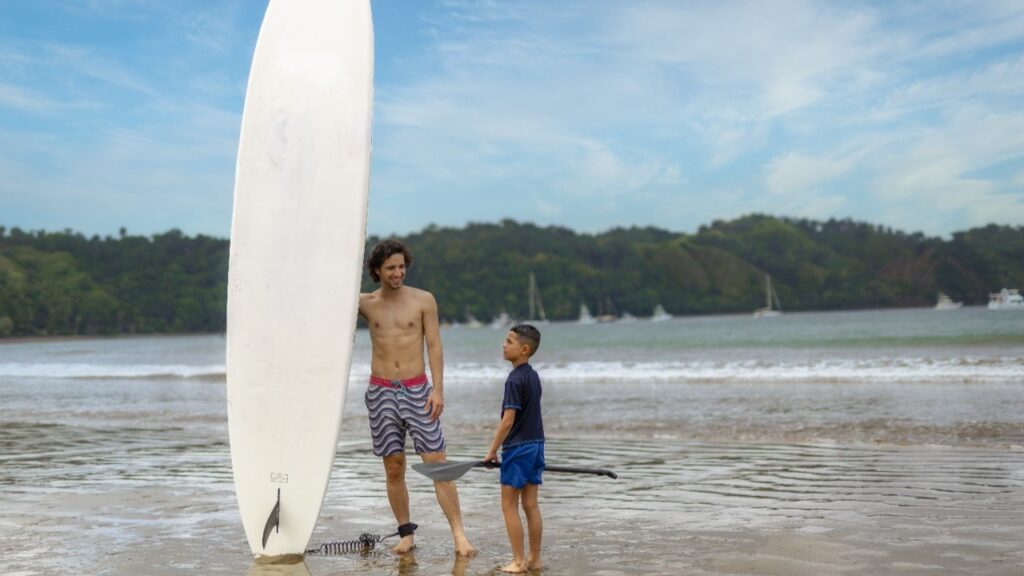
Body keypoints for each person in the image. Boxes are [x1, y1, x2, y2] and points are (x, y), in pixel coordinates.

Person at [359, 239, 475, 556]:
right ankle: (407, 535)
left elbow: (434, 346)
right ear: (377, 271)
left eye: (401, 266)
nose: (398, 273)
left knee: (438, 465)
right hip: (381, 390)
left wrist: (438, 389)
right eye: (391, 268)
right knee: (394, 468)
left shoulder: (423, 300)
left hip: (418, 389)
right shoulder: (364, 303)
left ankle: (459, 536)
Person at [484, 324, 545, 573]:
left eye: (509, 341)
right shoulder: (533, 376)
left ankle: (519, 562)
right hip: (537, 445)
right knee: (530, 504)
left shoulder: (514, 380)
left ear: (524, 349)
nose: (503, 344)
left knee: (509, 506)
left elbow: (507, 421)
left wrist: (491, 452)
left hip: (517, 449)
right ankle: (534, 559)